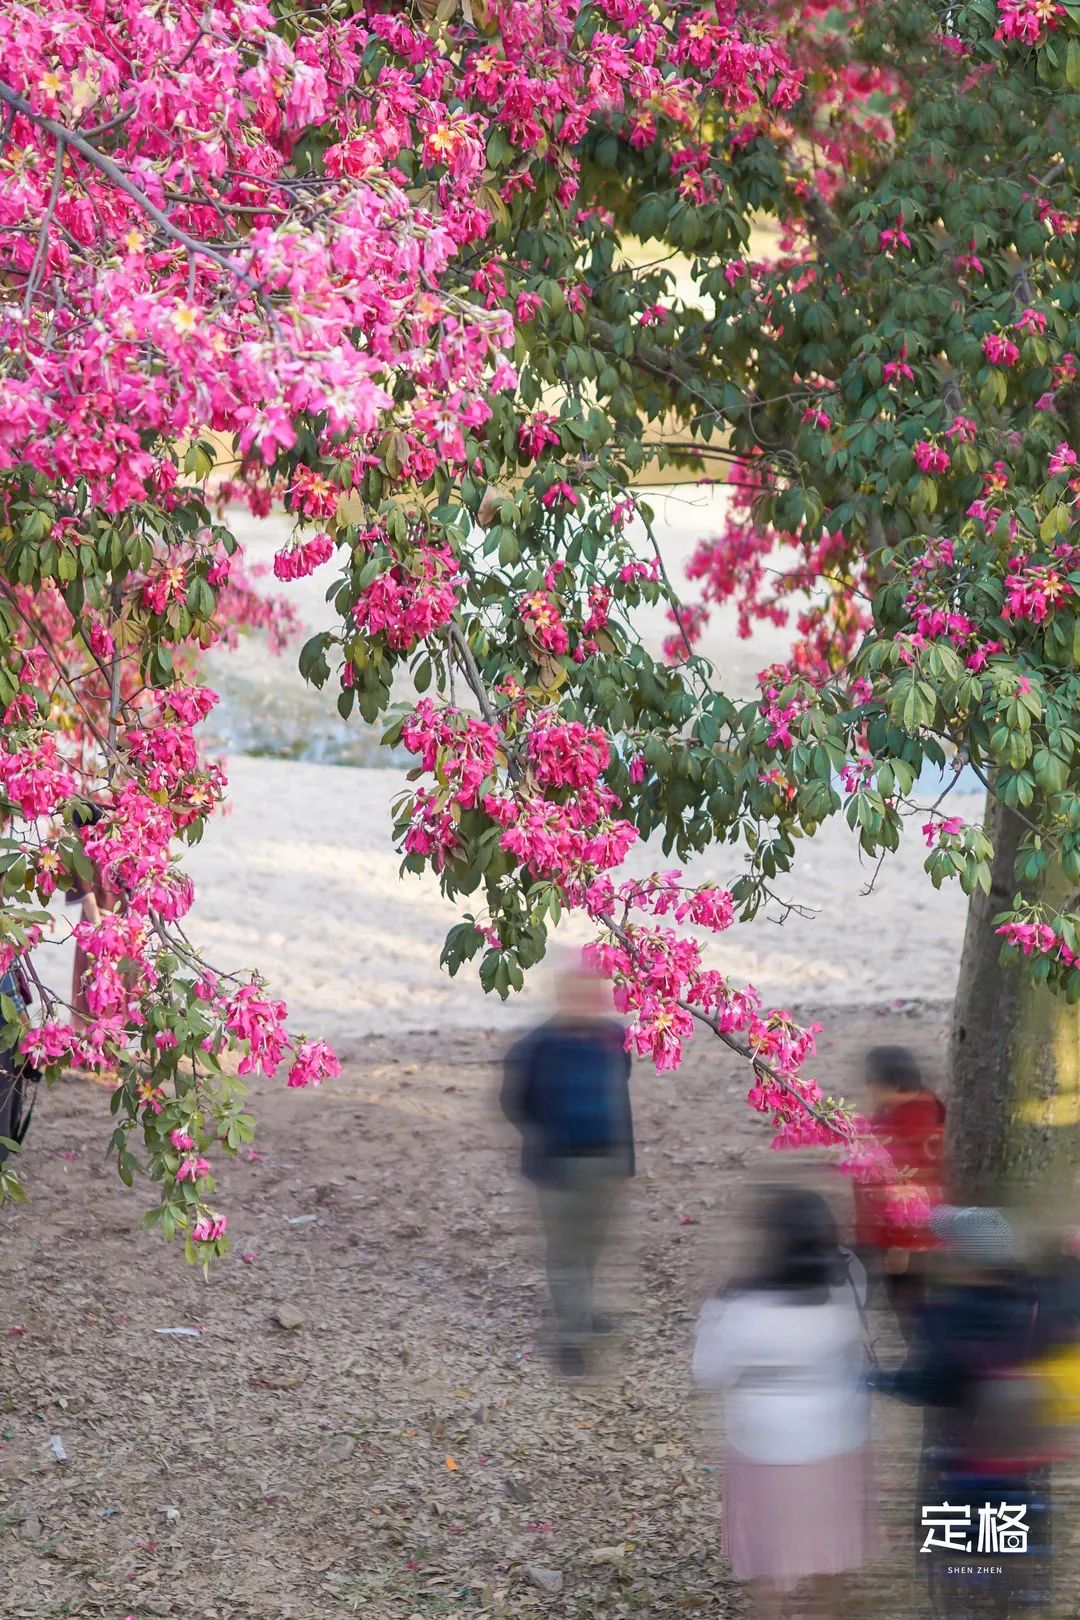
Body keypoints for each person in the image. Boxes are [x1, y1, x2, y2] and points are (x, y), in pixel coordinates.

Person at [693, 1186, 874, 1620]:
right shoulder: (848, 1285)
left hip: (764, 1444)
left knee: (769, 1564)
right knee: (832, 1553)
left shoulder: (740, 1307)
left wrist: (714, 1305)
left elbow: (709, 1372)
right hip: (837, 1438)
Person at [870, 1206, 1056, 1617]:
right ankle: (1011, 1603)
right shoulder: (1038, 1306)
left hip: (960, 1462)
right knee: (1012, 1550)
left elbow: (927, 1383)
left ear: (963, 1258)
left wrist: (873, 1380)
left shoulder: (947, 1315)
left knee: (959, 1562)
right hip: (1020, 1459)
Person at [500, 963, 633, 1377]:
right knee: (566, 1254)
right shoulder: (535, 1046)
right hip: (557, 1165)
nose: (587, 1002)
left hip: (606, 1160)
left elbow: (621, 1086)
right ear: (561, 997)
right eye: (577, 994)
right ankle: (571, 1338)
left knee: (591, 1247)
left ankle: (582, 1315)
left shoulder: (615, 1038)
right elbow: (514, 1103)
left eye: (593, 994)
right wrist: (545, 1137)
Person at [852, 1044, 946, 1333]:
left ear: (893, 1084)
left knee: (907, 1304)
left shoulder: (918, 1126)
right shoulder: (901, 1106)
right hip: (880, 1230)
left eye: (872, 1080)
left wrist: (903, 1244)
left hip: (903, 1240)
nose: (868, 1087)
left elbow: (917, 1187)